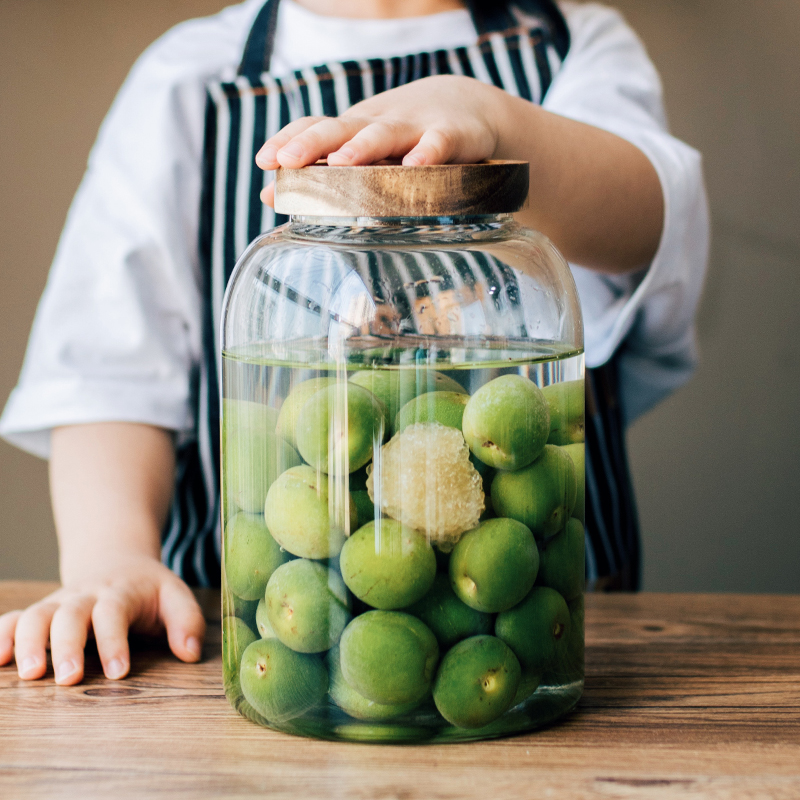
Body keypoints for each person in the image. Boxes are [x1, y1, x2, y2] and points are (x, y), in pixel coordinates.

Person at [0, 0, 708, 686]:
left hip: (532, 638)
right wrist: (112, 559)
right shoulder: (188, 81)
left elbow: (648, 216)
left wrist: (494, 118)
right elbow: (108, 374)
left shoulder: (571, 41)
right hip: (260, 639)